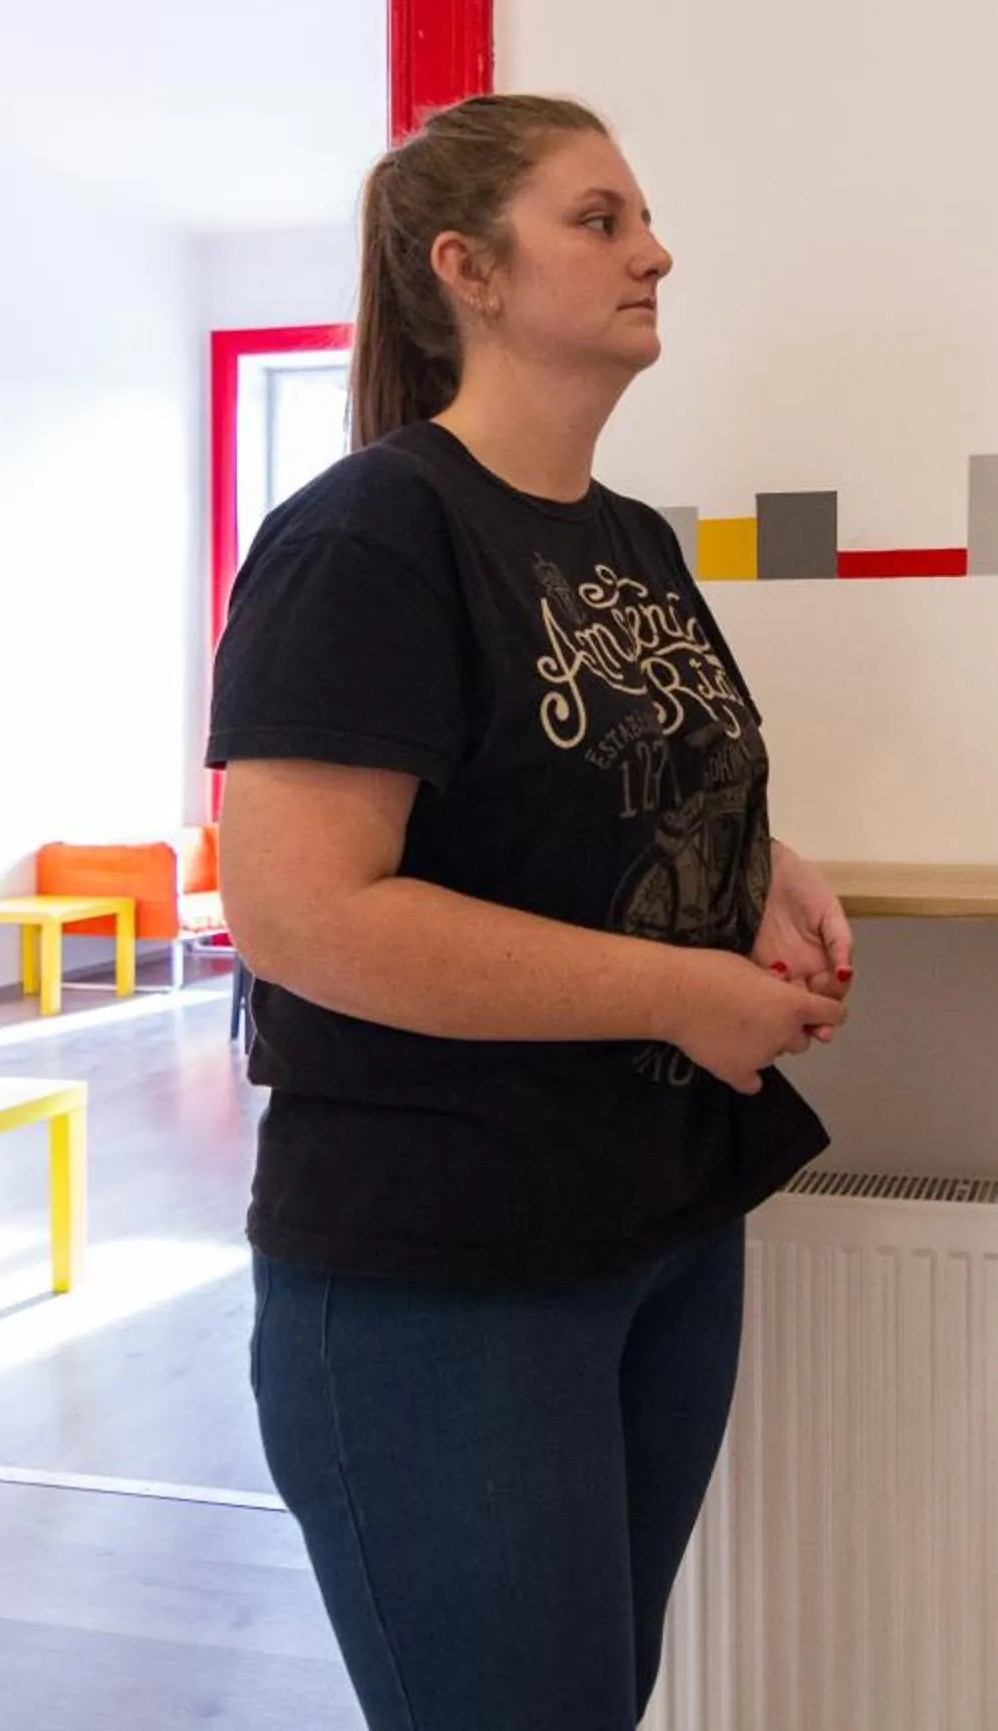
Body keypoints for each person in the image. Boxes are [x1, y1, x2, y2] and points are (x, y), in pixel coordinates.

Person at [205, 93, 856, 1730]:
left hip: (655, 1228)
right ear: (467, 270)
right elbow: (304, 915)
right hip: (445, 1265)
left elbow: (590, 773)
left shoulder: (626, 541)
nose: (654, 252)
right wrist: (673, 992)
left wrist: (754, 861)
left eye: (639, 219)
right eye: (600, 219)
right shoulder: (366, 535)